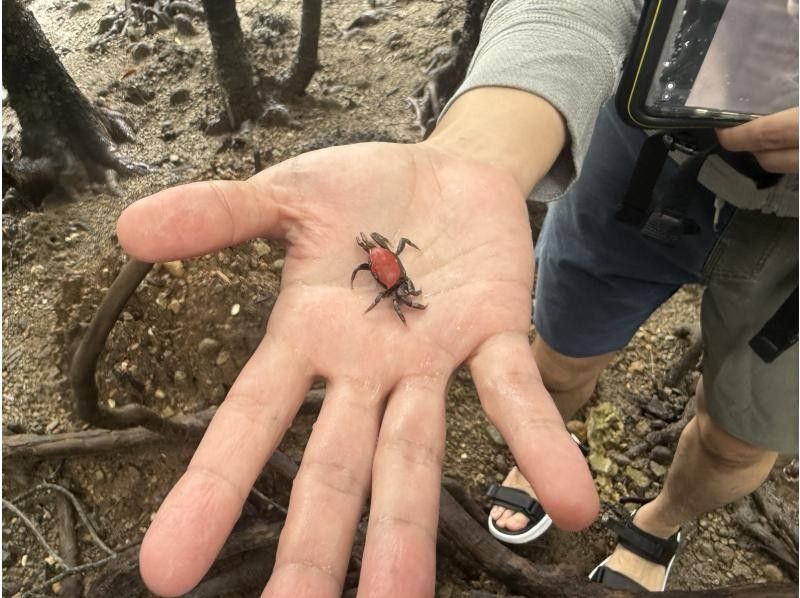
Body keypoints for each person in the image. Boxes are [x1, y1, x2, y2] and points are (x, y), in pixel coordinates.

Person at [115, 1, 797, 596]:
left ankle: (663, 522)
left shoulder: (385, 268)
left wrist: (392, 279)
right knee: (555, 360)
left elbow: (386, 273)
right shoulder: (381, 262)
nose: (380, 264)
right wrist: (482, 148)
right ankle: (540, 450)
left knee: (739, 439)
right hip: (640, 161)